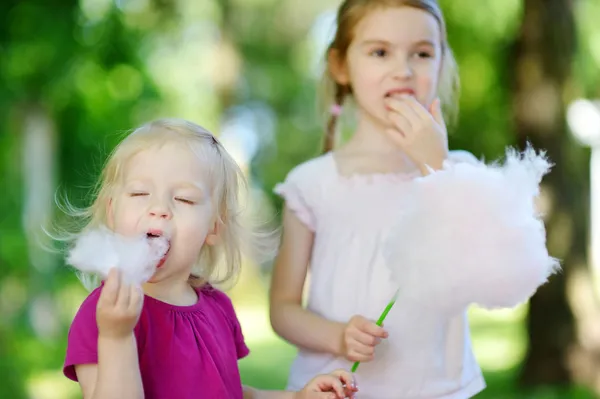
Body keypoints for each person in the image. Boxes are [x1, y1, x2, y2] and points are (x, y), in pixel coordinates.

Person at [269, 1, 487, 398]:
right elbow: (283, 308)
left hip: (440, 389)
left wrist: (436, 168)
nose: (403, 70)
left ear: (442, 62)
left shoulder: (461, 172)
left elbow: (486, 271)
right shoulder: (313, 183)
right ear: (340, 66)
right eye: (380, 52)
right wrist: (337, 336)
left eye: (422, 53)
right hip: (331, 390)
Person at [61, 119, 358, 399]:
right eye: (140, 193)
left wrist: (297, 397)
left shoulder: (217, 308)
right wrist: (116, 337)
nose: (159, 208)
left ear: (213, 226)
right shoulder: (102, 317)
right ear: (112, 213)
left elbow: (233, 392)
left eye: (184, 199)